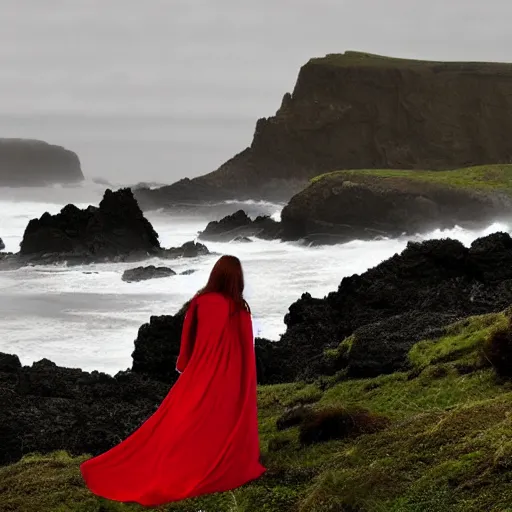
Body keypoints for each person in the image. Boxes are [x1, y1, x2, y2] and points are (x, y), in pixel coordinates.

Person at [80, 255, 266, 506]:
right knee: (220, 423)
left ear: (215, 274)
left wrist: (185, 366)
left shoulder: (200, 302)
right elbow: (247, 353)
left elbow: (187, 340)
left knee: (179, 422)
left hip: (200, 374)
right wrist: (245, 388)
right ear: (237, 279)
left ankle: (174, 464)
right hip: (231, 379)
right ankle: (212, 461)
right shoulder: (240, 311)